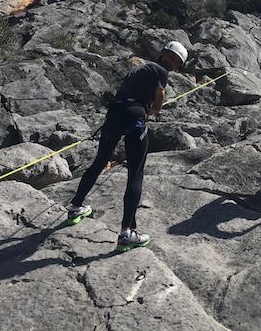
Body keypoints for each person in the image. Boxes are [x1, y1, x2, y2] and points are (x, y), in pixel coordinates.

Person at [67, 40, 188, 252]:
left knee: (100, 161)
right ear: (173, 61)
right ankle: (127, 233)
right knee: (135, 174)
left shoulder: (139, 67)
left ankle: (76, 207)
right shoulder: (161, 71)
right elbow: (159, 96)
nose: (172, 63)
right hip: (135, 116)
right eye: (174, 61)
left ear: (162, 51)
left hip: (115, 113)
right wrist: (154, 110)